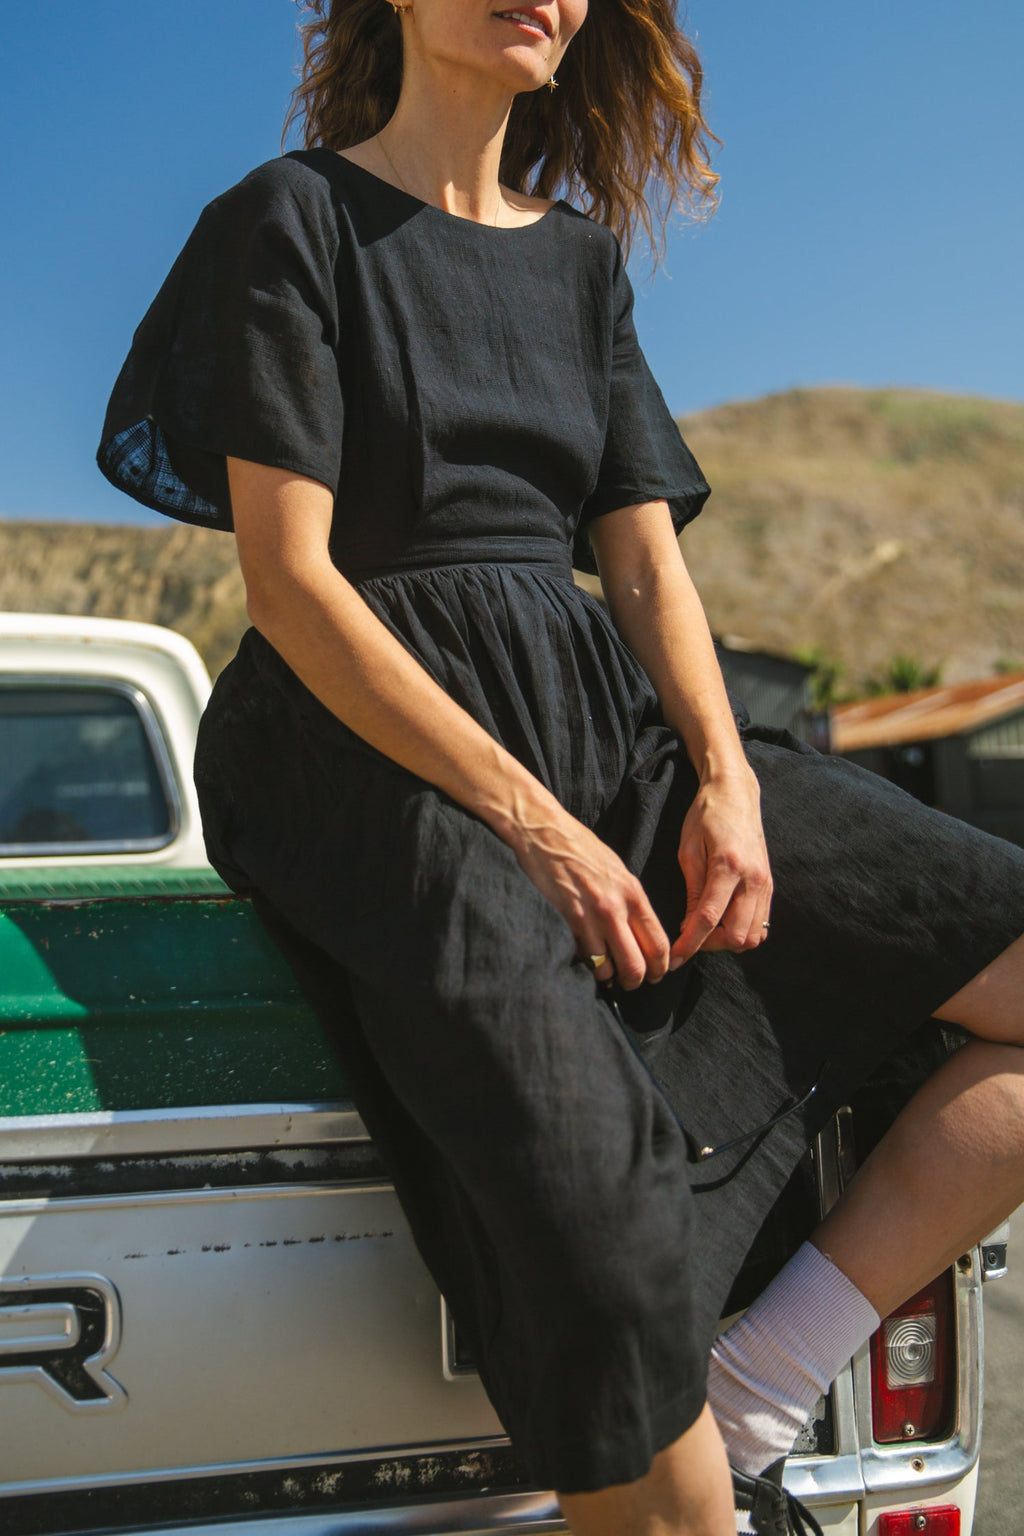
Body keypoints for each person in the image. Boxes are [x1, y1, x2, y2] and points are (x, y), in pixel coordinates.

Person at [98, 2, 1024, 1532]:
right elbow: (292, 584)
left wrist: (726, 777)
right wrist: (530, 823)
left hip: (592, 707)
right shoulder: (290, 218)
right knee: (586, 1190)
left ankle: (758, 1391)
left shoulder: (581, 262)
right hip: (361, 739)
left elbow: (648, 571)